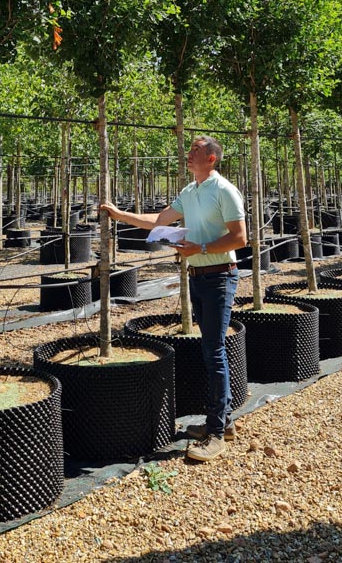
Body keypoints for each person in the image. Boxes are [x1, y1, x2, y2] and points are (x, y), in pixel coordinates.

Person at [100, 135, 247, 462]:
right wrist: (120, 214)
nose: (188, 154)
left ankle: (216, 433)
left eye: (195, 150)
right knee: (210, 349)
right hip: (197, 276)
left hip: (221, 275)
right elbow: (159, 220)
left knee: (214, 350)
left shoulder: (224, 190)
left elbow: (240, 237)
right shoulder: (189, 192)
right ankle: (224, 422)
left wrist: (202, 248)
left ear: (211, 158)